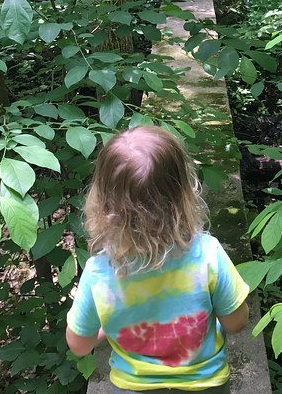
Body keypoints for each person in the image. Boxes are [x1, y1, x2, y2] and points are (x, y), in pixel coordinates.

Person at [66, 125, 250, 392]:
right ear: (183, 193)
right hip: (205, 385)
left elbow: (79, 345)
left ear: (104, 203)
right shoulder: (208, 254)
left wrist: (106, 326)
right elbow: (236, 323)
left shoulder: (99, 273)